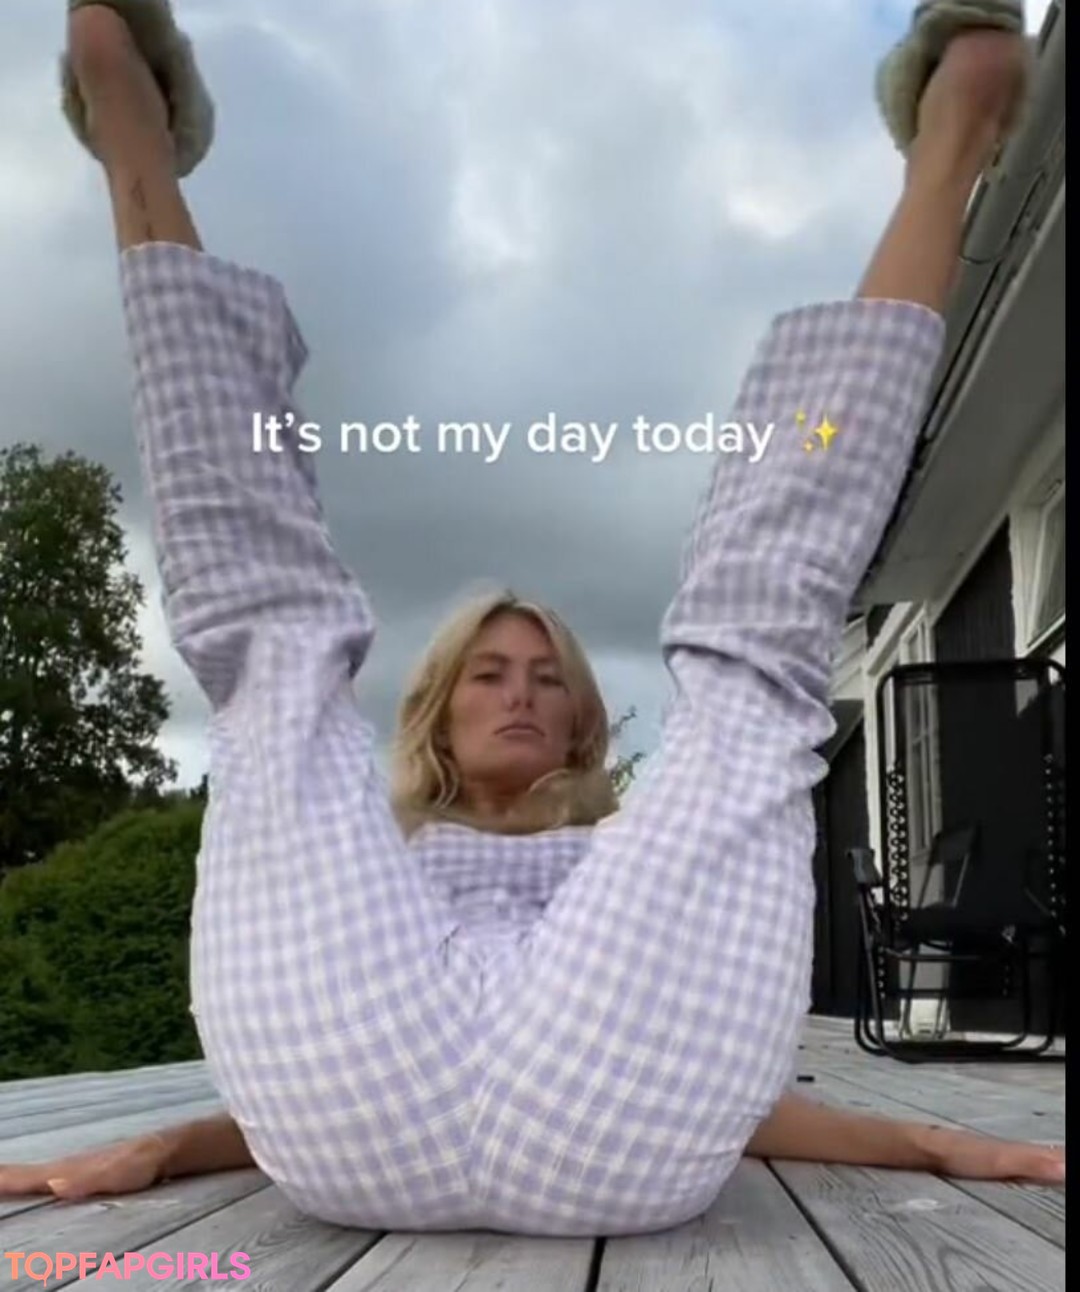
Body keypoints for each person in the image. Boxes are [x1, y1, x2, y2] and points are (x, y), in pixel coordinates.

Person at [0, 4, 1064, 1235]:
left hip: (609, 1106)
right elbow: (302, 1034)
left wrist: (932, 1139)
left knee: (753, 668)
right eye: (490, 671)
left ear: (579, 723)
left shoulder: (632, 856)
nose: (520, 690)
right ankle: (135, 157)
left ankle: (948, 160)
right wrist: (164, 1144)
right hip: (355, 1104)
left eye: (548, 675)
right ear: (438, 708)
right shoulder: (371, 857)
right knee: (276, 663)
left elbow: (722, 1087)